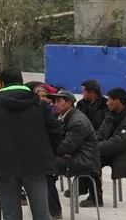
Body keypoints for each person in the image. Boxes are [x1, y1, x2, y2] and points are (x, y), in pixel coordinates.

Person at [0, 69, 62, 220]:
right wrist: (48, 153)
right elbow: (56, 132)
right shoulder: (40, 104)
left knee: (11, 214)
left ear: (3, 83)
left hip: (6, 164)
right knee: (42, 213)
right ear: (21, 81)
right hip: (36, 163)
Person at [84, 87, 126, 207]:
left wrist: (94, 148)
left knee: (92, 154)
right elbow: (100, 134)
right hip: (111, 151)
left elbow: (119, 142)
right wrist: (90, 144)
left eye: (109, 100)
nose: (106, 103)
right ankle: (94, 197)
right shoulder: (110, 115)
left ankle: (87, 192)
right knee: (89, 159)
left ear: (117, 101)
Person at [45, 90, 100, 219]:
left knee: (45, 169)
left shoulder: (77, 121)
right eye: (54, 102)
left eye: (59, 101)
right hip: (72, 156)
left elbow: (65, 147)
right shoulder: (63, 116)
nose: (55, 104)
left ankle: (54, 213)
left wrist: (44, 151)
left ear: (69, 103)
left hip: (83, 160)